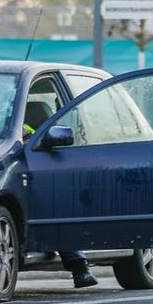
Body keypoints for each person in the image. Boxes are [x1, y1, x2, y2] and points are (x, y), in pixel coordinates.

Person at [21, 122, 97, 289]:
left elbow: (35, 141)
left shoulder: (14, 122)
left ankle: (79, 267)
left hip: (35, 180)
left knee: (54, 209)